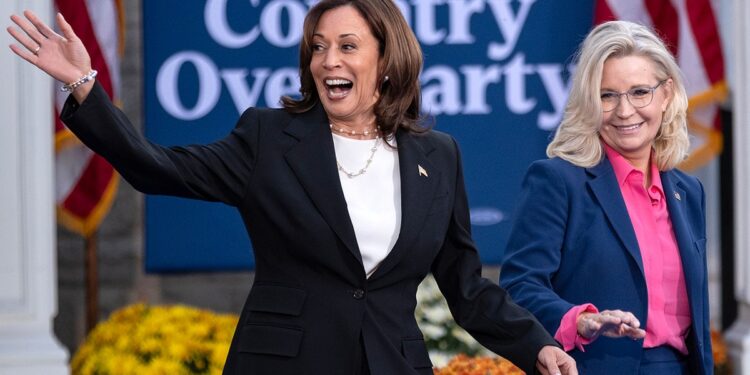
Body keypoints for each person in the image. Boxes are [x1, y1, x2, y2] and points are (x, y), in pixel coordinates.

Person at [8, 1, 577, 374]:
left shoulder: (438, 156)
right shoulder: (270, 137)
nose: (328, 59)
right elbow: (154, 167)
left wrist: (537, 344)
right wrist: (84, 86)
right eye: (318, 47)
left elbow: (467, 287)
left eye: (347, 45)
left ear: (386, 61)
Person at [499, 20, 712, 374]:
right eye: (607, 95)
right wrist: (579, 320)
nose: (624, 111)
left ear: (667, 94)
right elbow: (520, 286)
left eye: (640, 92)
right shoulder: (557, 180)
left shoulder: (688, 192)